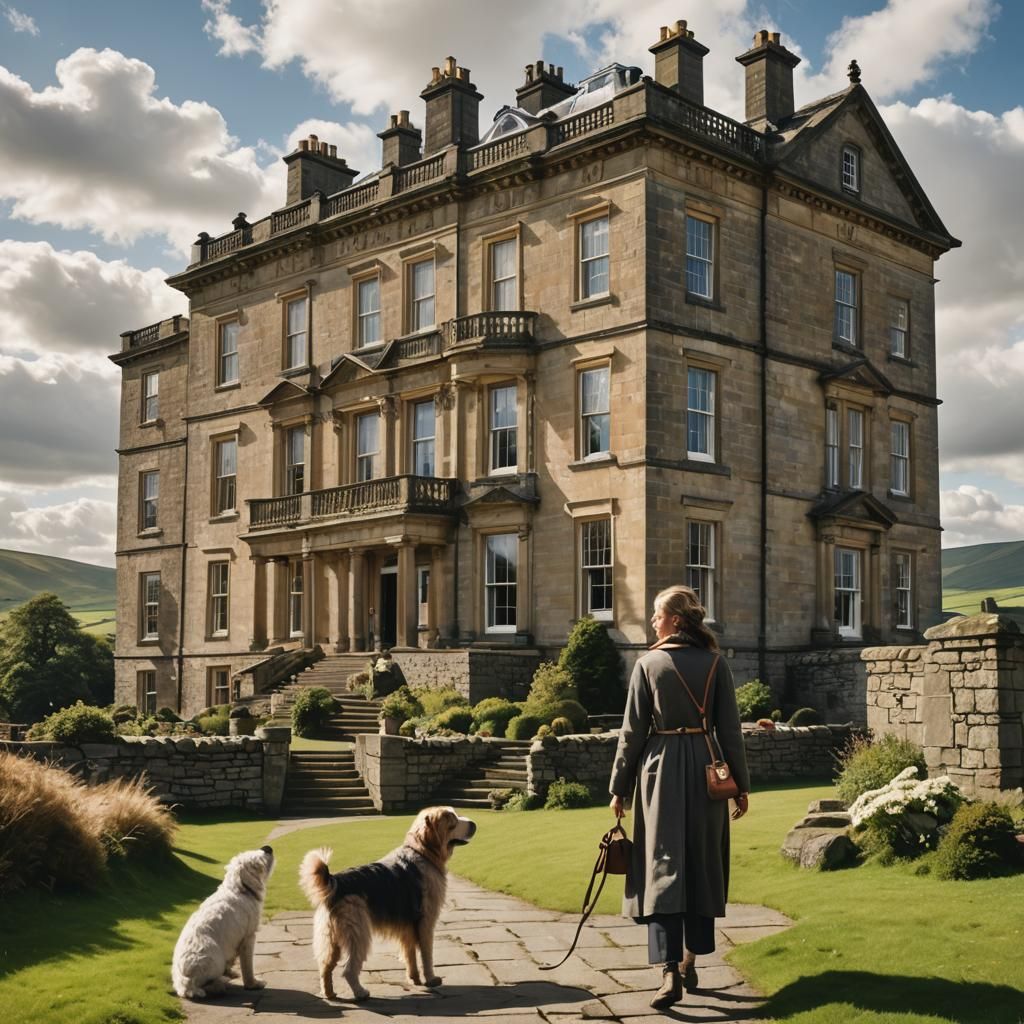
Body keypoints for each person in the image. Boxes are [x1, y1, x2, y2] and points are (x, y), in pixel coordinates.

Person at [608, 584, 750, 1011]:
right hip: (709, 770)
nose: (652, 620)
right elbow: (730, 731)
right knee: (700, 861)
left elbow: (632, 733)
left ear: (675, 620)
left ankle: (669, 968)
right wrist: (741, 785)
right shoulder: (715, 664)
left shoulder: (648, 663)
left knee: (662, 865)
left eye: (657, 614)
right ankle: (689, 960)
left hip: (660, 772)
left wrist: (619, 787)